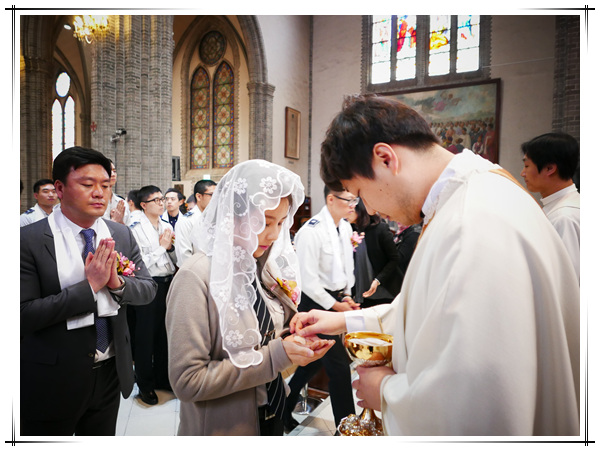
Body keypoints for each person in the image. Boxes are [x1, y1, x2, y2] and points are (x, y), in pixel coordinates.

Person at [290, 95, 580, 436]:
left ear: (385, 158)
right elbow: (432, 307)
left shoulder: (472, 222)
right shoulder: (474, 193)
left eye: (361, 192)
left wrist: (385, 391)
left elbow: (476, 400)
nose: (369, 208)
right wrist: (345, 320)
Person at [165, 160, 334, 435]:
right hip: (225, 426)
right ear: (233, 215)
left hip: (271, 410)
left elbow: (263, 333)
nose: (274, 234)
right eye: (264, 222)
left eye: (281, 222)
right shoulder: (196, 277)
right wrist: (276, 357)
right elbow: (188, 381)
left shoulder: (260, 265)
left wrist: (294, 330)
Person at [20, 146, 156, 435]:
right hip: (52, 376)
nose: (99, 193)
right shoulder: (28, 240)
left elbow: (148, 289)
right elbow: (22, 314)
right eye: (87, 184)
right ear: (60, 188)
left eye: (105, 185)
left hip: (109, 371)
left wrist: (117, 284)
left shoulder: (119, 233)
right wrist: (90, 286)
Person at [283, 186, 360, 432]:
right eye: (349, 200)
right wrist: (337, 306)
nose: (353, 206)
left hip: (336, 300)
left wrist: (347, 296)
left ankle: (284, 408)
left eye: (355, 200)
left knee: (313, 362)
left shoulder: (344, 227)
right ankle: (346, 429)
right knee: (339, 368)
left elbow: (347, 268)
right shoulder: (311, 231)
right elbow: (309, 281)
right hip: (315, 303)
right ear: (331, 198)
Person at [129, 185, 177, 405]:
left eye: (162, 199)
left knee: (163, 334)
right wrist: (161, 248)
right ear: (143, 205)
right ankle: (145, 384)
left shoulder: (166, 225)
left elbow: (173, 258)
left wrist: (170, 249)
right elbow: (139, 264)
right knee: (145, 336)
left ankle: (162, 378)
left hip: (167, 283)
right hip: (147, 284)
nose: (161, 203)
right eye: (156, 200)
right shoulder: (135, 229)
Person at [520, 132, 580, 282]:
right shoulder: (564, 207)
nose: (522, 173)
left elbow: (567, 281)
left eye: (527, 166)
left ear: (549, 168)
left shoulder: (564, 217)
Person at [349, 199, 402, 308]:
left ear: (360, 210)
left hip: (383, 289)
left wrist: (378, 280)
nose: (348, 212)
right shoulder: (348, 230)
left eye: (352, 209)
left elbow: (394, 259)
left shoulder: (380, 229)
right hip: (360, 291)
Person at [174, 179, 216, 265]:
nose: (216, 199)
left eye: (217, 195)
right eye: (212, 195)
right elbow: (184, 256)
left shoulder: (216, 219)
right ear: (199, 196)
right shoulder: (186, 221)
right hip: (196, 270)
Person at [102, 160, 129, 224]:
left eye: (114, 171)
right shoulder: (95, 201)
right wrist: (114, 221)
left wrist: (121, 222)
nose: (113, 174)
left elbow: (128, 227)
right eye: (109, 171)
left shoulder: (122, 202)